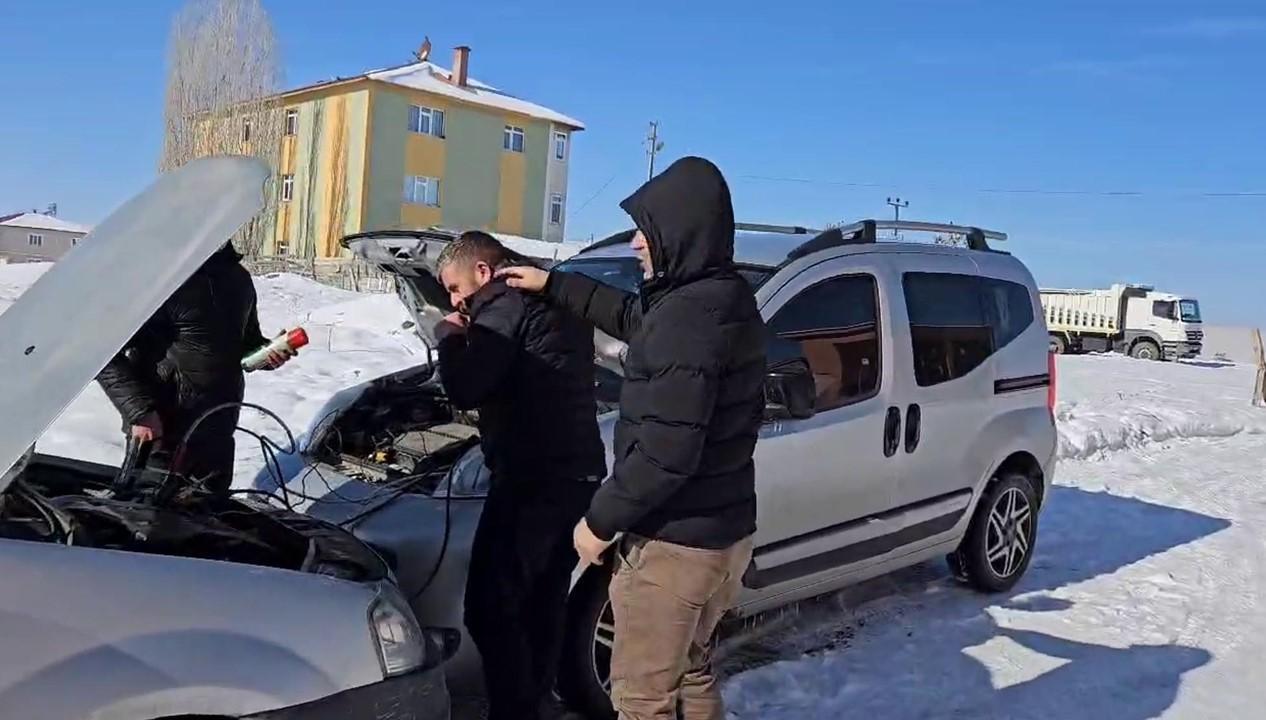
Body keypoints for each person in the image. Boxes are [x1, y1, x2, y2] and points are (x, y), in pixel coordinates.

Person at [500, 156, 768, 720]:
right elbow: (632, 317)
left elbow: (666, 453)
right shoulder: (719, 298)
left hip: (674, 545)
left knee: (641, 700)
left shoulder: (686, 319)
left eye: (646, 232)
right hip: (723, 535)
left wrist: (599, 522)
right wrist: (554, 284)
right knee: (691, 669)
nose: (637, 245)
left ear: (681, 231)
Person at [432, 231, 606, 720]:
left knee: (489, 609)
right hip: (575, 471)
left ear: (482, 272)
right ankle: (535, 699)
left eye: (453, 287)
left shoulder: (502, 301)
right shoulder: (546, 293)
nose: (455, 299)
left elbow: (467, 386)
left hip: (535, 478)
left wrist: (448, 340)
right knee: (543, 599)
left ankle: (516, 710)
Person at [96, 242, 293, 493]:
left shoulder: (239, 279)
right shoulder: (163, 276)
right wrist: (140, 411)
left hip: (219, 424)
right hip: (162, 428)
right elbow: (105, 352)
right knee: (148, 518)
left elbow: (247, 342)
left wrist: (268, 354)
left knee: (208, 517)